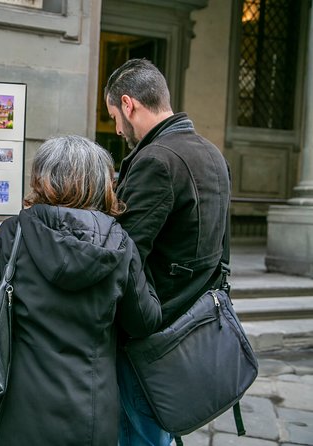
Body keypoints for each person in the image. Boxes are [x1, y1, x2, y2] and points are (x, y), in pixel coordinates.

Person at [0, 135, 162, 445]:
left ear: (42, 179)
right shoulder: (121, 245)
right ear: (102, 184)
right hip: (91, 413)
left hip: (16, 409)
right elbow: (144, 321)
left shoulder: (14, 234)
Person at [104, 58, 231, 445]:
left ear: (129, 104)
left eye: (113, 116)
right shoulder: (212, 153)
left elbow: (123, 255)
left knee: (139, 434)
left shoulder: (156, 160)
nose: (115, 128)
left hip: (153, 336)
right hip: (191, 326)